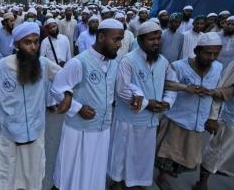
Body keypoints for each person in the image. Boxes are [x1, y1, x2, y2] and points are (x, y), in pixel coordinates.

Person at [51, 19, 124, 190]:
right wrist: (78, 108)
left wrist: (137, 94)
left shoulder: (114, 62)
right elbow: (56, 89)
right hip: (79, 131)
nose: (119, 44)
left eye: (120, 39)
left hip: (103, 129)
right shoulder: (79, 62)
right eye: (116, 39)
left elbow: (122, 86)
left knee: (94, 171)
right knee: (71, 173)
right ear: (101, 37)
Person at [0, 22, 62, 190]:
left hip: (36, 132)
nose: (33, 46)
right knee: (9, 178)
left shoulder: (43, 64)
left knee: (33, 177)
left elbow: (64, 77)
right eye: (27, 42)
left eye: (36, 41)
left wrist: (67, 96)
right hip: (10, 133)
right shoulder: (0, 67)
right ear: (17, 44)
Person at [108, 21, 178, 189]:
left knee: (142, 156)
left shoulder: (163, 61)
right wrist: (147, 104)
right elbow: (122, 89)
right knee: (122, 153)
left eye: (158, 38)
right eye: (151, 39)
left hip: (150, 121)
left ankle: (137, 181)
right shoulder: (128, 60)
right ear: (139, 41)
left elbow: (172, 84)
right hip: (128, 120)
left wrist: (167, 103)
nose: (156, 42)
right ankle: (117, 181)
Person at [155, 32, 223, 189]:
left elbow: (217, 93)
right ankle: (161, 176)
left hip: (198, 119)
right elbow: (164, 84)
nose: (212, 57)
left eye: (215, 53)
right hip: (177, 117)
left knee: (186, 154)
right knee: (167, 152)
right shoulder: (179, 66)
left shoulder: (218, 68)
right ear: (197, 51)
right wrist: (186, 88)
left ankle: (172, 172)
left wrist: (212, 117)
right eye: (207, 53)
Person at [194, 60, 234, 190]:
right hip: (229, 117)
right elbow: (222, 89)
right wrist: (213, 117)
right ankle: (202, 182)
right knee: (216, 149)